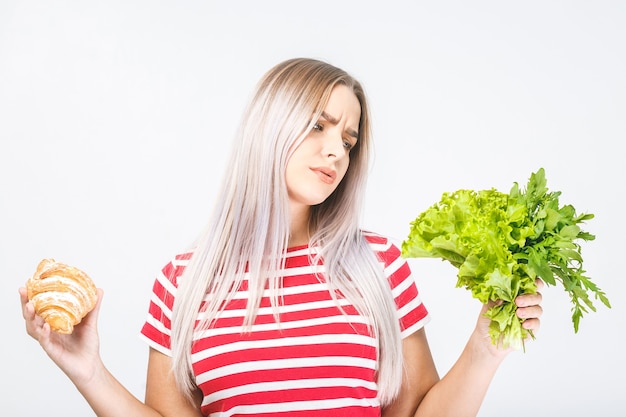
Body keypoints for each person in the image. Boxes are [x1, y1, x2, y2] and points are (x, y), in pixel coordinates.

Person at [20, 57, 543, 417]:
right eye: (319, 125)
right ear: (269, 127)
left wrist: (484, 349)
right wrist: (88, 371)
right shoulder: (183, 281)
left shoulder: (377, 263)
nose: (337, 150)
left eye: (348, 138)